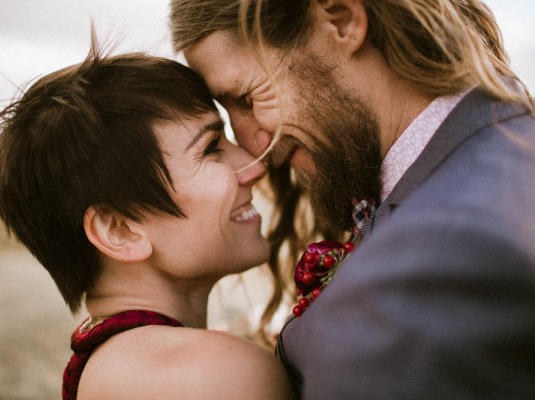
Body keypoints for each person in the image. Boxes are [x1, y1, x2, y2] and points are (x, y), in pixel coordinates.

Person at [169, 0, 535, 398]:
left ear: (342, 21)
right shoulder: (501, 154)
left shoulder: (430, 264)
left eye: (246, 98)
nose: (254, 148)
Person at [0, 38, 296, 400]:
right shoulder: (217, 375)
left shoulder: (114, 366)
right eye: (211, 148)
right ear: (119, 230)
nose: (257, 166)